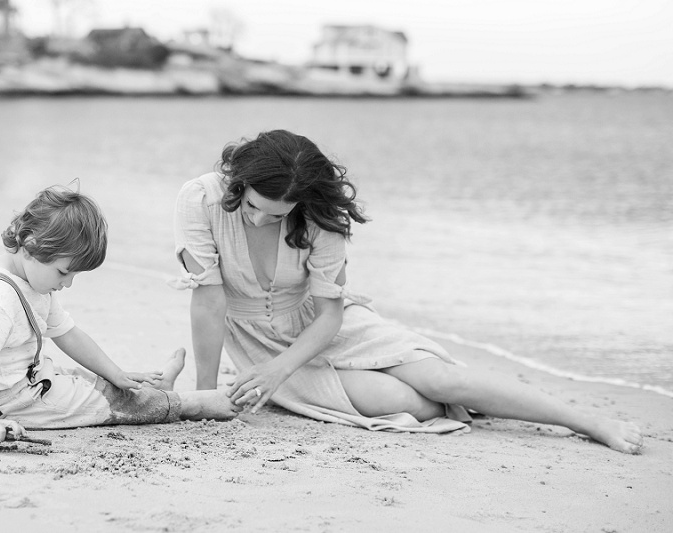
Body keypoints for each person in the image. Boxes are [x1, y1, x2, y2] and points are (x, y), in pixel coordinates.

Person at [170, 129, 643, 454]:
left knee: (444, 380)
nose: (258, 219)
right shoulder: (202, 199)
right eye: (253, 206)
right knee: (401, 401)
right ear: (242, 183)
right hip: (256, 340)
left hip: (323, 326)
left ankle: (587, 422)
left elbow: (331, 314)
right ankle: (466, 407)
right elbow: (209, 303)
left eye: (275, 215)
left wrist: (282, 369)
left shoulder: (318, 216)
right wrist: (207, 395)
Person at [0, 184, 239, 443]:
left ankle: (157, 391)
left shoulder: (31, 281)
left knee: (101, 383)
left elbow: (68, 334)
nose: (68, 283)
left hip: (31, 380)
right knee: (107, 403)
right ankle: (189, 403)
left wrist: (116, 373)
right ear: (30, 246)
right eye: (64, 272)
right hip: (11, 400)